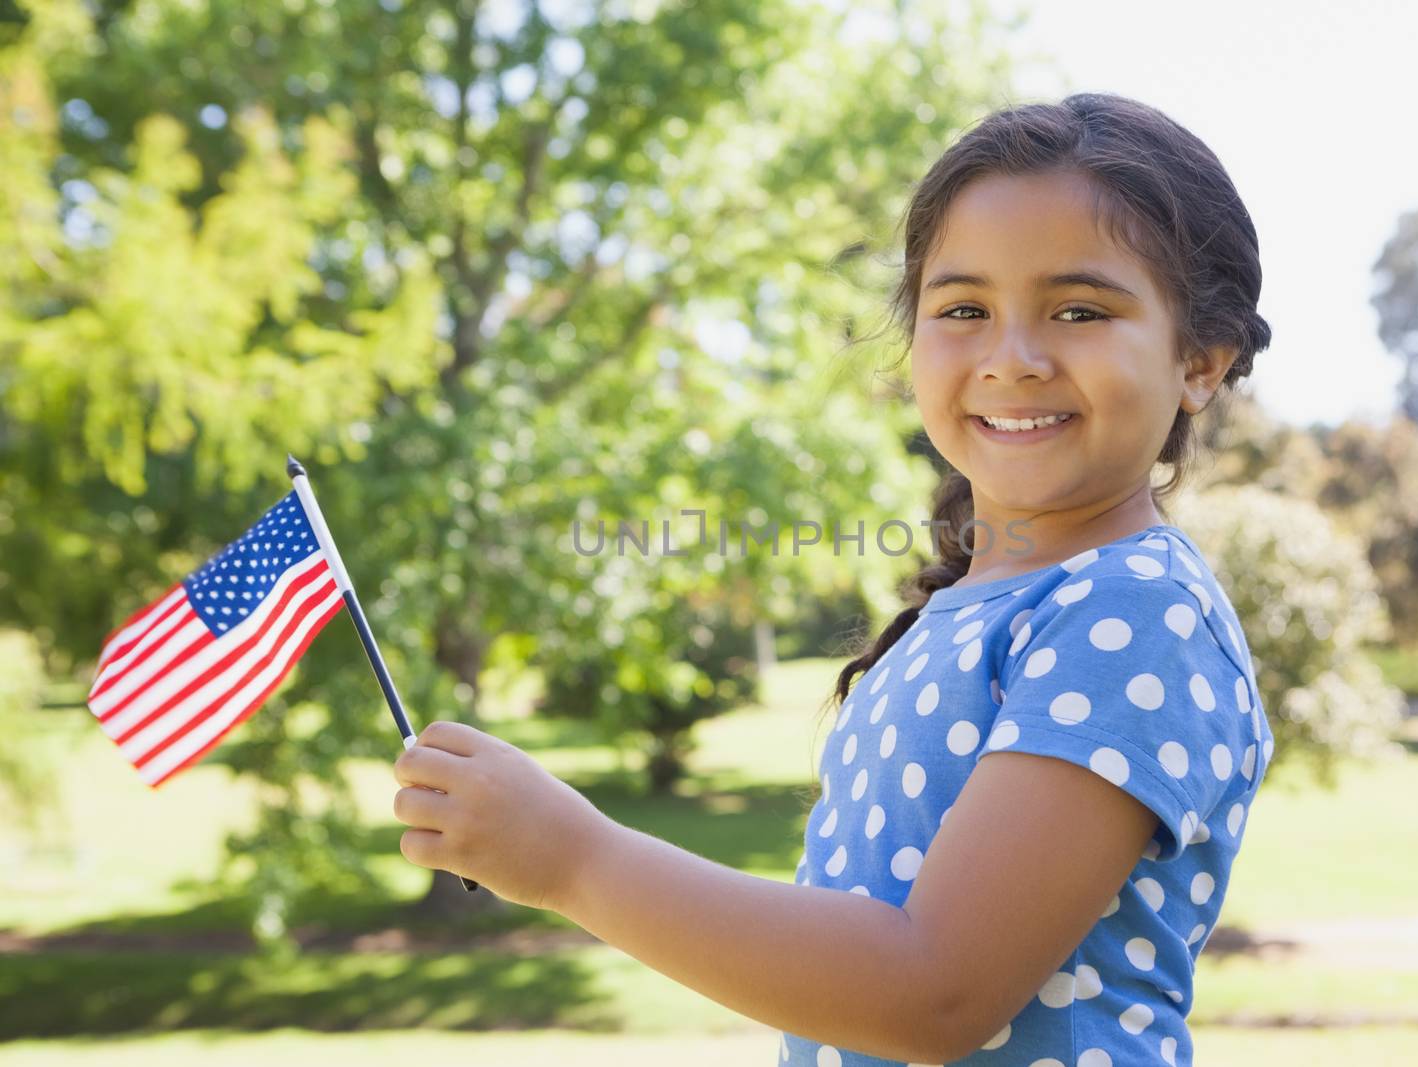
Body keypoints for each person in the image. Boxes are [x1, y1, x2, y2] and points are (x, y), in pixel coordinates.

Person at [391, 91, 1275, 1067]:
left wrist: (573, 858)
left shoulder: (1132, 608)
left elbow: (932, 991)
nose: (1011, 357)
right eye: (963, 309)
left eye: (1078, 309)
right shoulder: (972, 608)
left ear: (1199, 359)